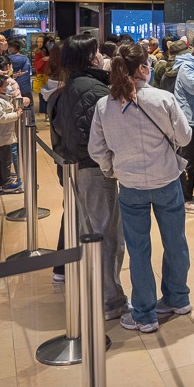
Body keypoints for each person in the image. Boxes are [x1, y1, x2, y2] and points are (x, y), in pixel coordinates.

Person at [89, 42, 193, 334]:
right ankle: (177, 298)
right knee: (176, 242)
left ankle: (144, 314)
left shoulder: (104, 105)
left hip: (131, 185)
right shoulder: (163, 99)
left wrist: (112, 169)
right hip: (167, 180)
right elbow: (184, 138)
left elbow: (96, 149)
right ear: (144, 68)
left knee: (138, 250)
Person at [51, 33, 128, 321]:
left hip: (73, 168)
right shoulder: (94, 90)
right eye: (96, 52)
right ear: (89, 57)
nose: (100, 56)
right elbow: (99, 136)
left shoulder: (67, 87)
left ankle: (96, 289)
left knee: (91, 231)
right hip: (94, 170)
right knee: (107, 235)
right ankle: (111, 300)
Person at [173, 42, 194, 213]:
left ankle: (187, 195)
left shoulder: (192, 65)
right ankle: (184, 199)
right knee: (189, 162)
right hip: (188, 120)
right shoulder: (187, 67)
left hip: (193, 118)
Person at [0, 75, 24, 193]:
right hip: (3, 136)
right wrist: (16, 115)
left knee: (1, 160)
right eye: (6, 86)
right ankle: (7, 183)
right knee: (6, 160)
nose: (9, 87)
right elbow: (2, 118)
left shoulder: (4, 99)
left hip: (6, 134)